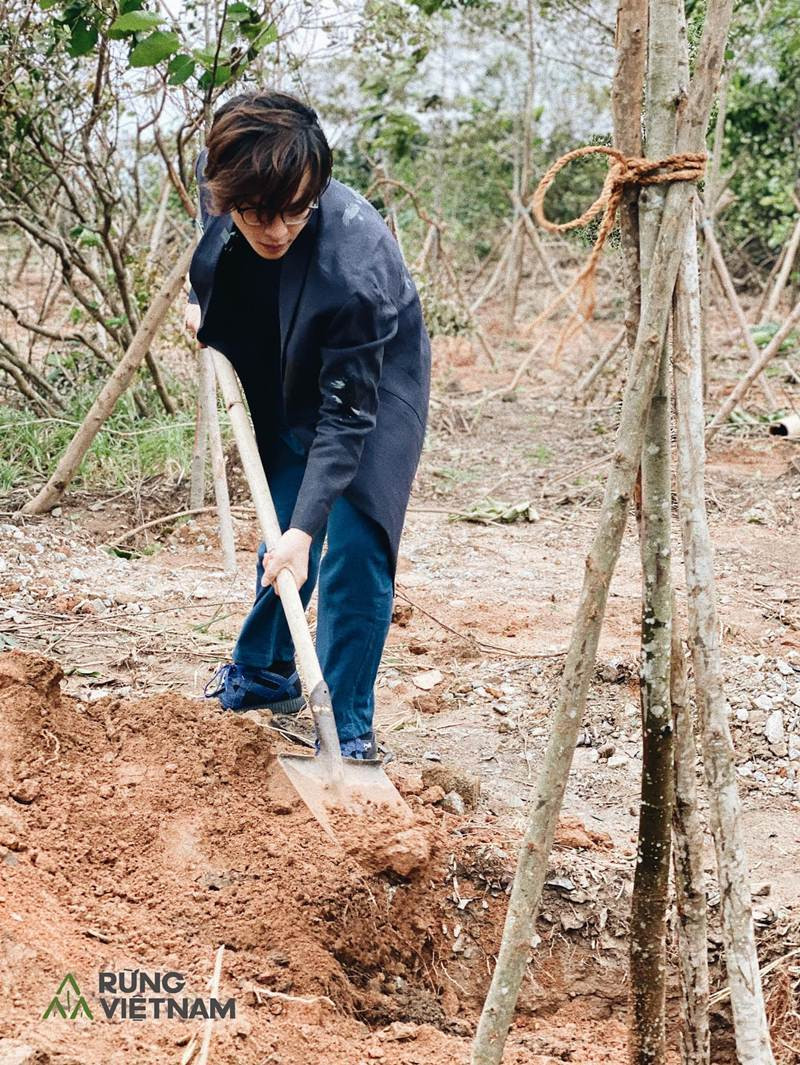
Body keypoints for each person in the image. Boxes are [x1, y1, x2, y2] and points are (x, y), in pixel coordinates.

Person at [185, 90, 431, 760]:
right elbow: (213, 244)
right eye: (258, 213)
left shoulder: (357, 269)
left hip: (373, 381)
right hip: (285, 352)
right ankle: (267, 674)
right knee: (286, 516)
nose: (277, 229)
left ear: (315, 188)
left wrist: (306, 533)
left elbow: (346, 420)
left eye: (296, 209)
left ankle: (345, 728)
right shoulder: (226, 186)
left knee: (355, 538)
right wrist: (199, 302)